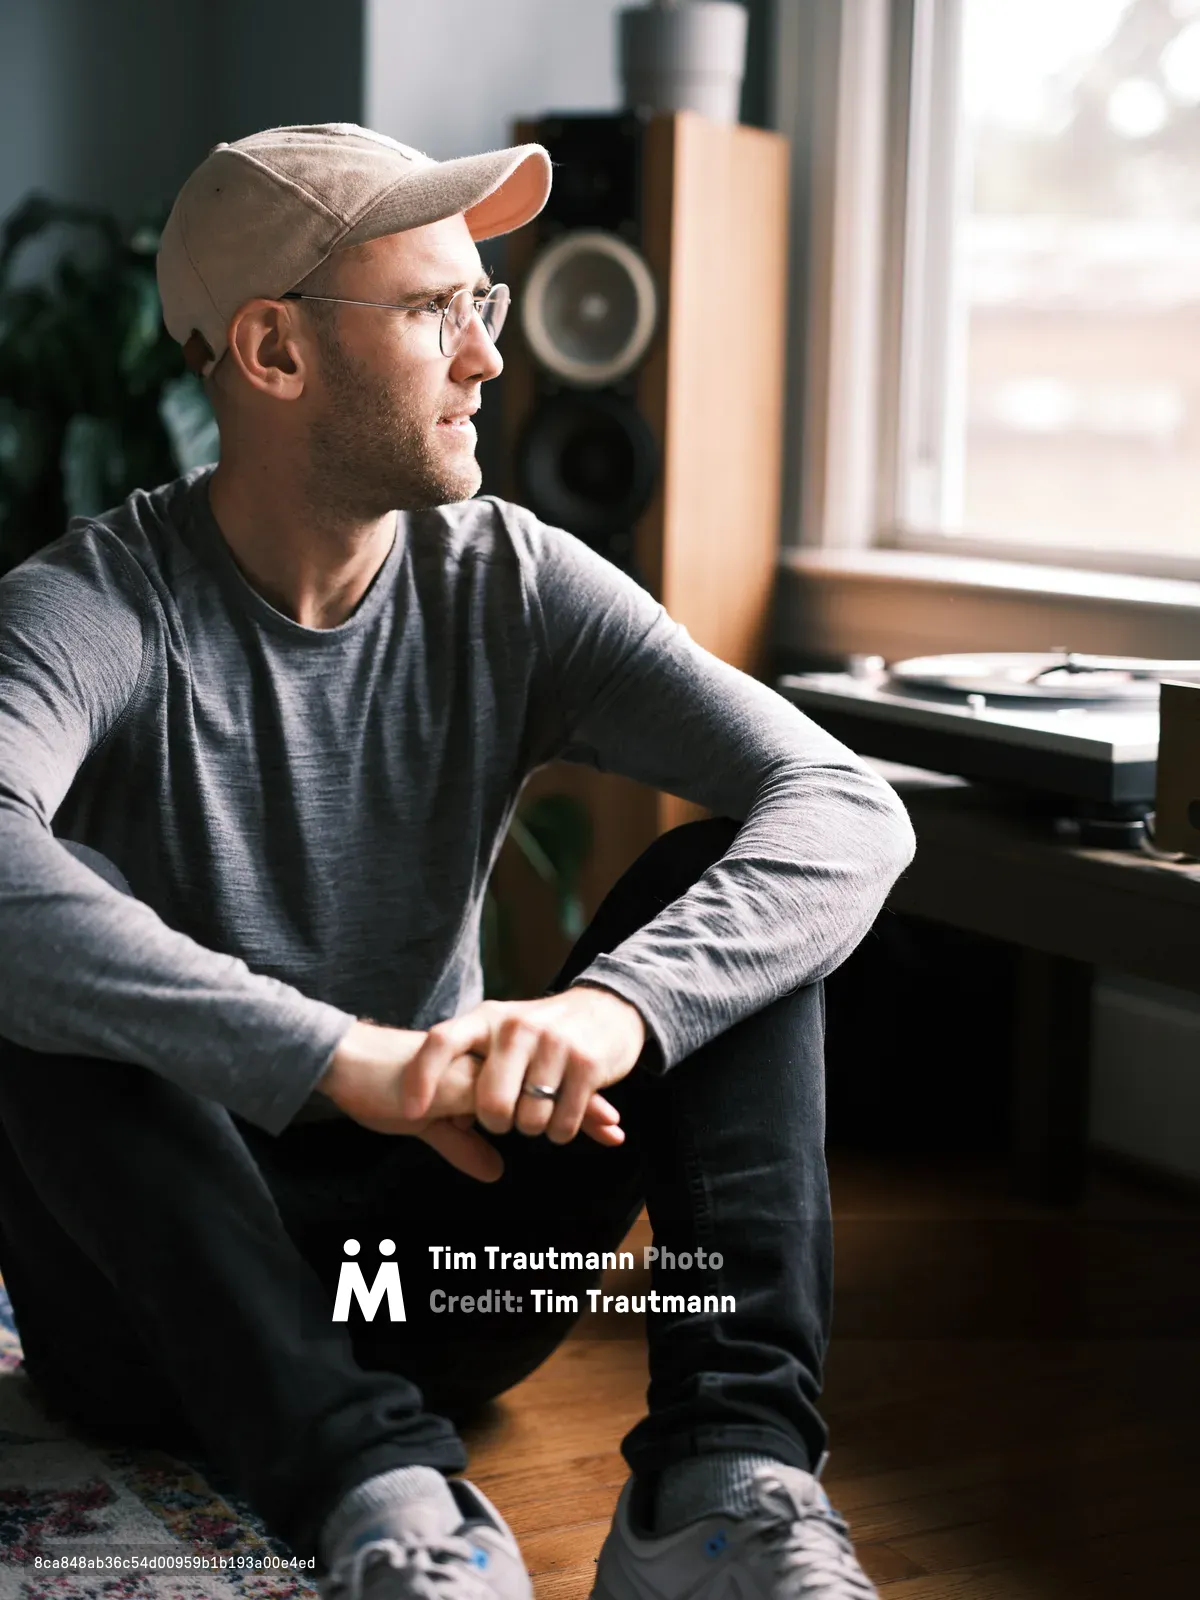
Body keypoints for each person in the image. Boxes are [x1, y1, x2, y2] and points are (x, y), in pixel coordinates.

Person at [0, 123, 914, 1600]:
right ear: (275, 351)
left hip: (443, 1271)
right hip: (160, 1311)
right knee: (47, 973)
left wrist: (611, 1014)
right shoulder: (88, 610)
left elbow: (842, 802)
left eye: (480, 306)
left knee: (725, 920)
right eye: (437, 311)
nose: (487, 356)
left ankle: (721, 1489)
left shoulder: (512, 579)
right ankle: (385, 1504)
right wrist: (341, 1059)